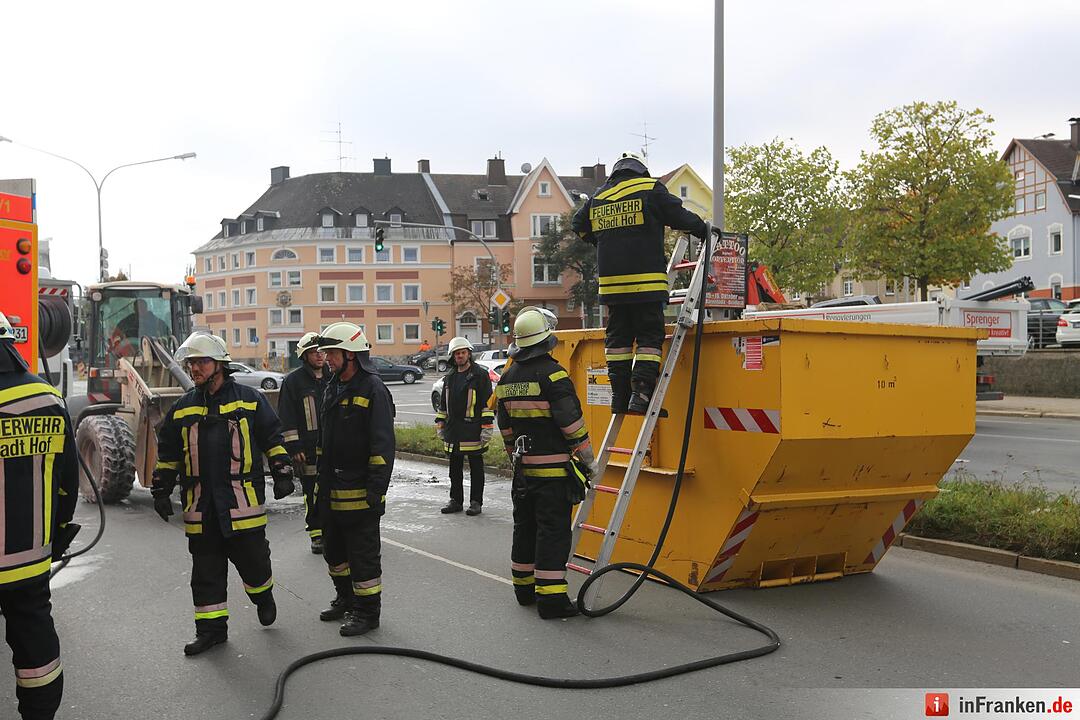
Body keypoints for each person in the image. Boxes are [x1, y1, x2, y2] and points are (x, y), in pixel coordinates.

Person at [151, 332, 294, 656]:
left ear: (220, 365)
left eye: (201, 362)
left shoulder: (248, 399)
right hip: (201, 506)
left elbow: (272, 437)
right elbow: (169, 452)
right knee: (205, 573)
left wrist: (283, 472)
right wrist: (161, 489)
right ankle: (211, 630)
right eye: (191, 363)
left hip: (240, 503)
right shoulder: (184, 408)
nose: (194, 368)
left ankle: (263, 596)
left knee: (254, 564)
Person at [571, 151, 707, 414]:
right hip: (646, 285)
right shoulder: (650, 189)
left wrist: (599, 240)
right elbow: (680, 216)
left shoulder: (600, 196)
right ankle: (641, 397)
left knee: (618, 341)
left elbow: (578, 224)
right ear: (640, 171)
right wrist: (704, 229)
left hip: (611, 288)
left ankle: (620, 398)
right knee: (649, 338)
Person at [0, 311, 78, 720]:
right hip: (29, 554)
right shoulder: (47, 397)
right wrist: (59, 531)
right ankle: (41, 712)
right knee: (35, 644)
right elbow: (67, 479)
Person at [495, 308, 597, 619]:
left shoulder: (507, 377)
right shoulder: (553, 375)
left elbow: (506, 426)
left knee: (524, 528)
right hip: (553, 475)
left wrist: (517, 454)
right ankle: (552, 601)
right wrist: (589, 461)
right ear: (545, 340)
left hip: (523, 473)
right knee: (552, 533)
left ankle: (523, 590)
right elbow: (572, 425)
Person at [313, 323, 395, 637]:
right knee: (334, 553)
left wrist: (376, 490)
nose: (326, 358)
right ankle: (345, 599)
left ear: (350, 354)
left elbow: (383, 445)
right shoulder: (333, 386)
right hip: (331, 489)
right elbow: (325, 439)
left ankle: (367, 613)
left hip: (361, 492)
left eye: (331, 352)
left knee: (362, 558)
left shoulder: (372, 388)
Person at [277, 332, 329, 553]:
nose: (319, 356)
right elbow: (287, 416)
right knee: (311, 491)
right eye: (314, 352)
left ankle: (333, 532)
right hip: (307, 449)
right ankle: (316, 534)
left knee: (332, 490)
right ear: (304, 355)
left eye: (322, 351)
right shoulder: (294, 381)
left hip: (331, 446)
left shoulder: (333, 376)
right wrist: (294, 447)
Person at [435, 336, 495, 516]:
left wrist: (487, 427)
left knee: (476, 468)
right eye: (457, 354)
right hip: (453, 429)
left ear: (469, 354)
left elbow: (487, 404)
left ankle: (476, 502)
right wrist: (440, 423)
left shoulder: (480, 375)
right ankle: (455, 500)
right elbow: (443, 405)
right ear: (453, 357)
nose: (460, 356)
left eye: (463, 353)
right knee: (454, 469)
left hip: (473, 429)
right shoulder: (450, 377)